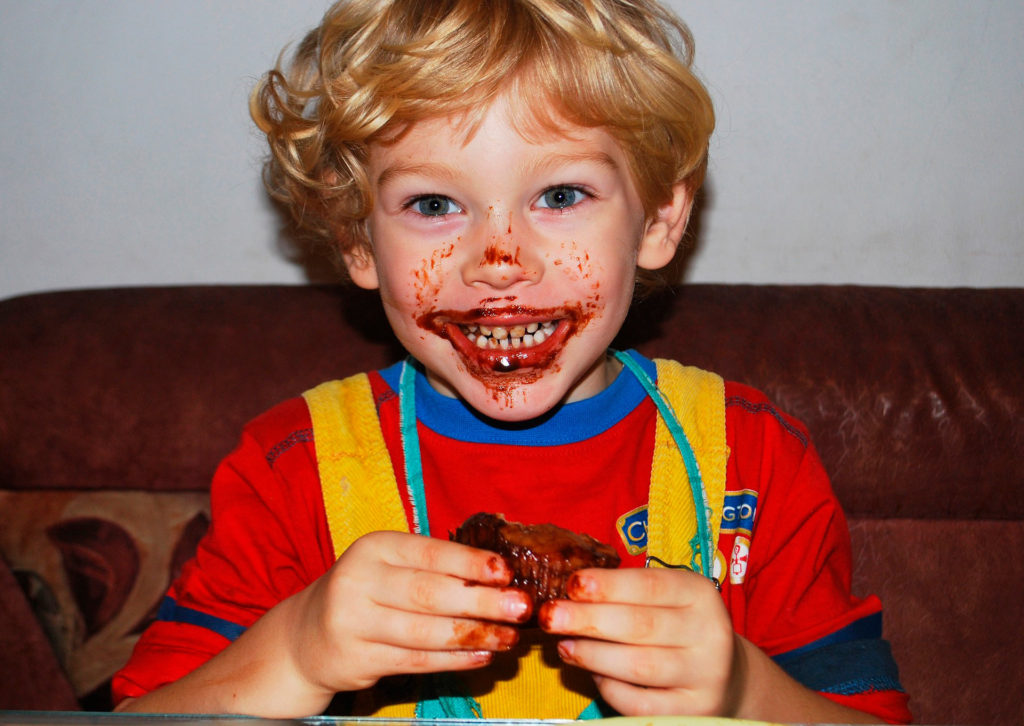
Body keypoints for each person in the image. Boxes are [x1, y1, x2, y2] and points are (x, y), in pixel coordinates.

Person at [113, 0, 910, 722]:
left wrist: (743, 691)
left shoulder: (753, 459)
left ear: (659, 219)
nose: (500, 258)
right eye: (433, 204)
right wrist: (293, 653)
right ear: (359, 239)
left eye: (561, 196)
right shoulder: (293, 471)